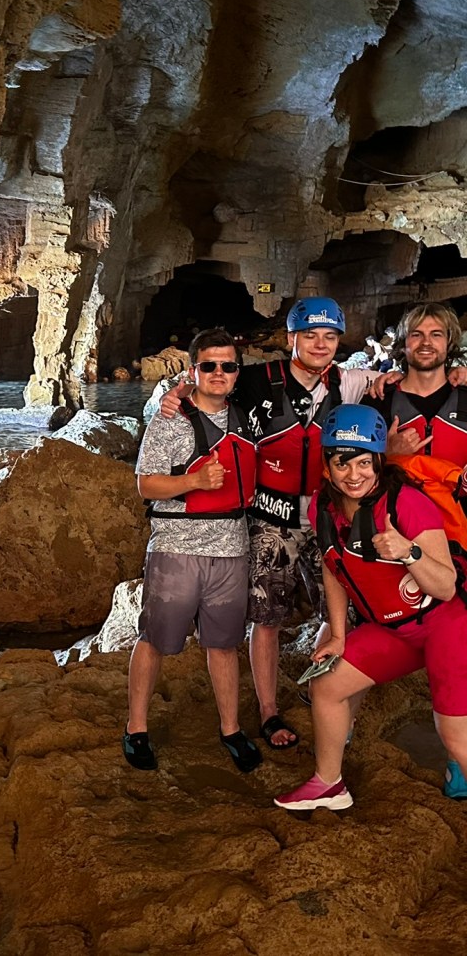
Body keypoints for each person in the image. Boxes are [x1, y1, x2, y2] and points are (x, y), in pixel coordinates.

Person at [158, 297, 381, 750]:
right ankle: (267, 711)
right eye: (310, 335)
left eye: (330, 337)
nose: (320, 345)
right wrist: (175, 393)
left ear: (340, 341)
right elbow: (206, 388)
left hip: (324, 517)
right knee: (267, 616)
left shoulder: (350, 381)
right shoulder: (257, 379)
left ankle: (323, 683)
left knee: (347, 612)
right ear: (291, 339)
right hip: (268, 518)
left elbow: (403, 381)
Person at [274, 404, 467, 810]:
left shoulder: (407, 503)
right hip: (393, 628)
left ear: (378, 461)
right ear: (327, 465)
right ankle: (329, 784)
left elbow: (448, 587)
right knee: (326, 686)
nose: (354, 474)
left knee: (453, 734)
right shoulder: (321, 509)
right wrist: (340, 635)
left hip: (447, 622)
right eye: (342, 463)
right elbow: (333, 567)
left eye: (364, 462)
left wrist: (408, 551)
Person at [124, 328, 261, 773]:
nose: (219, 373)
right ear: (193, 370)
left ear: (237, 372)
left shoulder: (247, 419)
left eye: (227, 366)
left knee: (223, 644)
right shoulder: (169, 419)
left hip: (231, 549)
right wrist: (194, 482)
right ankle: (136, 728)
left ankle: (231, 729)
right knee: (156, 640)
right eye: (209, 365)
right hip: (176, 547)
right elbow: (145, 483)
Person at [366, 301, 467, 798]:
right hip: (394, 541)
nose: (425, 342)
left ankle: (457, 756)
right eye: (415, 334)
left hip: (459, 545)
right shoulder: (379, 403)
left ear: (450, 344)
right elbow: (347, 467)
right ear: (402, 344)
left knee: (457, 651)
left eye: (436, 334)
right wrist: (392, 455)